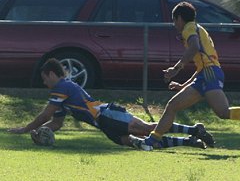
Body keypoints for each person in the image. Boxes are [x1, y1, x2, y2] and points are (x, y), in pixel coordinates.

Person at [135, 2, 240, 150]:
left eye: (174, 20)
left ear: (179, 18)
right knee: (172, 106)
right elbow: (201, 66)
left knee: (223, 112)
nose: (174, 24)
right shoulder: (196, 28)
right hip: (206, 74)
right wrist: (183, 85)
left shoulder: (188, 28)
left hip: (209, 74)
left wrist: (176, 69)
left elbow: (194, 48)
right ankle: (152, 140)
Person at [8, 58, 214, 150]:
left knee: (146, 130)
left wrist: (25, 129)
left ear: (52, 74)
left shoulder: (61, 87)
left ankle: (193, 129)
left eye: (45, 79)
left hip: (106, 115)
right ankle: (190, 141)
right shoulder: (62, 93)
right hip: (104, 126)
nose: (44, 83)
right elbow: (56, 123)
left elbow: (45, 115)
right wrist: (39, 132)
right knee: (141, 142)